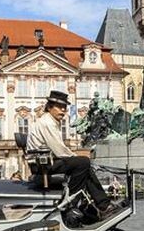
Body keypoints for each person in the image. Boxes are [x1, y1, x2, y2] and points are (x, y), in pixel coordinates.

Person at [27, 90, 120, 222]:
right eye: (59, 107)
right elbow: (60, 150)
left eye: (64, 107)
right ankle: (71, 203)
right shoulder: (47, 123)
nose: (63, 110)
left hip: (47, 162)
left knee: (84, 165)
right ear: (49, 107)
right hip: (43, 165)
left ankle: (103, 205)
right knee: (83, 163)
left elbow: (59, 150)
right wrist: (77, 158)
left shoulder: (51, 122)